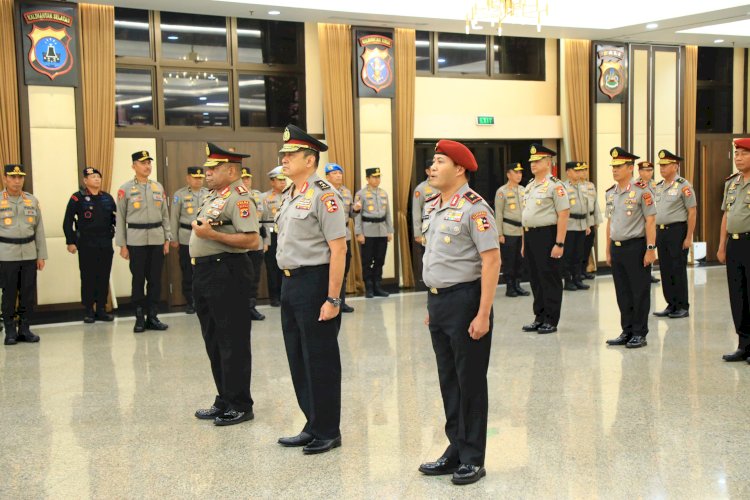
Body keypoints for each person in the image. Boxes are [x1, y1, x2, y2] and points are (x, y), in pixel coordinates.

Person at [418, 140, 500, 486]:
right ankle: (455, 447)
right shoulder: (434, 205)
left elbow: (491, 260)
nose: (432, 168)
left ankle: (473, 457)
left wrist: (483, 314)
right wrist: (431, 304)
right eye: (432, 162)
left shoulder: (475, 208)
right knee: (449, 381)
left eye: (439, 162)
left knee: (469, 382)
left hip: (467, 302)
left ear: (460, 169)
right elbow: (436, 258)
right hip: (440, 303)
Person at [275, 124, 346, 455]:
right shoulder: (292, 194)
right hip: (290, 283)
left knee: (320, 359)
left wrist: (333, 298)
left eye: (290, 155)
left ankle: (329, 430)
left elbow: (338, 249)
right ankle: (312, 423)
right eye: (283, 155)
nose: (284, 159)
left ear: (309, 158)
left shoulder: (324, 194)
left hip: (315, 282)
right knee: (298, 358)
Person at [191, 143, 259, 426]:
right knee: (214, 339)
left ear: (231, 171)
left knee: (233, 340)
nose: (206, 173)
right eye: (207, 168)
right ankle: (224, 398)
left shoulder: (240, 198)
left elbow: (252, 240)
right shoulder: (213, 196)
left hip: (227, 272)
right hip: (205, 273)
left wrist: (213, 236)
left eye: (213, 168)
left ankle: (240, 404)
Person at [604, 147, 657, 349]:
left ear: (630, 168)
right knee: (622, 292)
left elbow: (650, 221)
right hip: (617, 248)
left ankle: (639, 333)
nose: (615, 170)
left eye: (619, 167)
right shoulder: (611, 193)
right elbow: (610, 222)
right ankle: (626, 330)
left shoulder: (642, 190)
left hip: (636, 247)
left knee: (639, 291)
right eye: (613, 167)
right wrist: (608, 249)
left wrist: (650, 249)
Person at [115, 151, 171, 333]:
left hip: (156, 238)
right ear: (133, 166)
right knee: (138, 279)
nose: (147, 166)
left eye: (149, 163)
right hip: (136, 240)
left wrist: (167, 238)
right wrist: (122, 245)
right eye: (143, 163)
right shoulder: (125, 189)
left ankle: (153, 316)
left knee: (155, 280)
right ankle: (139, 317)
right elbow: (120, 218)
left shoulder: (158, 187)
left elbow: (165, 215)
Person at [520, 144, 570, 334]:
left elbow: (563, 215)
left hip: (547, 236)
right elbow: (526, 215)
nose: (533, 164)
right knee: (535, 278)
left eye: (538, 161)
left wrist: (559, 243)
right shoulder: (530, 186)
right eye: (532, 161)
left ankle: (551, 319)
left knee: (549, 278)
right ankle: (539, 316)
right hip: (531, 235)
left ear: (548, 163)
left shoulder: (556, 186)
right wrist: (525, 243)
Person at [63, 167, 116, 323]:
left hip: (105, 242)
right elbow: (68, 221)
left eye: (98, 176)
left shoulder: (107, 198)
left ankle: (101, 308)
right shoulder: (77, 198)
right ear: (85, 181)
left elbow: (115, 219)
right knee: (88, 277)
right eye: (92, 177)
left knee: (103, 275)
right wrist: (70, 241)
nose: (97, 179)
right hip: (86, 243)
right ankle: (88, 310)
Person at [1, 164, 46, 346]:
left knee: (28, 294)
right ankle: (10, 330)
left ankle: (25, 329)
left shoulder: (31, 200)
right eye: (12, 177)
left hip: (28, 254)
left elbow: (39, 230)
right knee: (9, 293)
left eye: (20, 177)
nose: (17, 181)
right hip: (6, 255)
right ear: (5, 178)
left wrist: (41, 255)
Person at [652, 150, 697, 319]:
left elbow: (692, 212)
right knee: (665, 269)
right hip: (661, 232)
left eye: (665, 165)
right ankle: (671, 304)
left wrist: (689, 237)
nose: (662, 168)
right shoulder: (659, 186)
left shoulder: (684, 186)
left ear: (675, 166)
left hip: (677, 231)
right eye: (661, 166)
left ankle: (682, 306)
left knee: (677, 268)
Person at [719, 138, 750, 362]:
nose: (738, 158)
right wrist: (722, 246)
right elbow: (726, 215)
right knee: (737, 295)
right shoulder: (732, 183)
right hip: (734, 244)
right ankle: (743, 344)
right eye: (736, 153)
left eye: (743, 153)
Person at [169, 166, 208, 315]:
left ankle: (203, 300)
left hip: (205, 238)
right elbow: (174, 217)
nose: (198, 180)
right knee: (187, 271)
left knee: (204, 270)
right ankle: (190, 301)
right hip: (186, 236)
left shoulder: (208, 194)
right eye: (195, 177)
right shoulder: (179, 195)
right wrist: (174, 238)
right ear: (188, 178)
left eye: (200, 177)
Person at [325, 162, 359, 313]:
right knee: (329, 270)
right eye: (334, 173)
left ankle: (341, 302)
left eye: (340, 173)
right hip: (329, 236)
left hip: (345, 234)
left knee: (343, 270)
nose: (338, 176)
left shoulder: (346, 191)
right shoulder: (324, 191)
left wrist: (355, 209)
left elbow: (350, 214)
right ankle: (329, 300)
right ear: (327, 176)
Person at [354, 168, 394, 298]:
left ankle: (378, 286)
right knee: (367, 261)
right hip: (368, 231)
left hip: (382, 231)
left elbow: (388, 213)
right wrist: (359, 233)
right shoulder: (361, 194)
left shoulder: (383, 193)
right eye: (374, 177)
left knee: (380, 260)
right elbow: (357, 216)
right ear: (367, 178)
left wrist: (389, 231)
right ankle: (369, 287)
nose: (377, 179)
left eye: (378, 177)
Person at [494, 162, 528, 297]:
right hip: (509, 231)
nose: (519, 175)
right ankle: (509, 287)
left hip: (522, 231)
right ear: (508, 174)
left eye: (520, 172)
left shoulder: (523, 190)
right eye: (516, 172)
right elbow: (499, 213)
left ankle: (518, 285)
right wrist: (499, 233)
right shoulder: (502, 192)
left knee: (520, 260)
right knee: (510, 260)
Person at [241, 167, 266, 321]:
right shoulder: (234, 195)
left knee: (254, 276)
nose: (245, 181)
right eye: (243, 178)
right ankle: (241, 308)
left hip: (256, 241)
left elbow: (259, 213)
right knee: (240, 276)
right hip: (240, 242)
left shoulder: (257, 195)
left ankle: (251, 306)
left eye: (247, 178)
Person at [562, 161, 591, 291]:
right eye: (576, 171)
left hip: (581, 225)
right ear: (568, 172)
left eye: (580, 171)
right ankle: (568, 281)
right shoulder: (563, 187)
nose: (579, 173)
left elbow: (586, 207)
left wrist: (587, 224)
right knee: (568, 255)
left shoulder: (583, 187)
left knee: (579, 254)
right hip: (569, 225)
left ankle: (577, 279)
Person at [260, 166, 286, 307]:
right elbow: (262, 222)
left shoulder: (291, 194)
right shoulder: (264, 197)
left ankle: (285, 295)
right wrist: (265, 241)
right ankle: (274, 297)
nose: (283, 183)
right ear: (272, 182)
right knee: (272, 268)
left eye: (284, 180)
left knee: (287, 265)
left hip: (287, 235)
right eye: (279, 180)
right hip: (272, 235)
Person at [637, 161, 660, 284]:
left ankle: (650, 272)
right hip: (641, 223)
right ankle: (642, 271)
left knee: (651, 246)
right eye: (645, 170)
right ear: (640, 172)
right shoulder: (636, 185)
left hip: (653, 221)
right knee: (642, 248)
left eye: (650, 170)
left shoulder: (655, 185)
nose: (648, 173)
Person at [579, 164, 602, 280]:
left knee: (588, 246)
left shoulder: (591, 186)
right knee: (579, 247)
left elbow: (595, 204)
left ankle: (584, 270)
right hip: (581, 221)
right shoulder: (576, 186)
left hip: (591, 220)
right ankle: (577, 272)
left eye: (585, 170)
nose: (584, 172)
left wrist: (597, 220)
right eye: (582, 170)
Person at [412, 161, 439, 245]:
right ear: (427, 171)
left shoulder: (445, 186)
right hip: (428, 229)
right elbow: (416, 212)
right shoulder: (421, 188)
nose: (436, 172)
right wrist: (417, 233)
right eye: (433, 170)